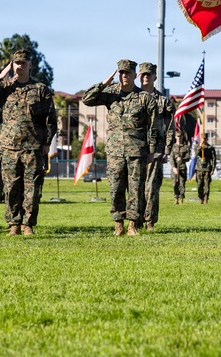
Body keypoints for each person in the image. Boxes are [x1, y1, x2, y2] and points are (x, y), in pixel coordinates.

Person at [0, 49, 57, 236]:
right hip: (9, 147)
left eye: (23, 62)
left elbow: (51, 120)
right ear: (12, 65)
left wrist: (46, 143)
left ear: (30, 65)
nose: (20, 65)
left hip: (33, 147)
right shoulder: (4, 89)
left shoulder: (40, 89)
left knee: (32, 189)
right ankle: (14, 223)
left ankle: (28, 224)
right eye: (16, 62)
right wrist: (0, 76)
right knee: (11, 187)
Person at [81, 59, 159, 236]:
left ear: (134, 75)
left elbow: (153, 127)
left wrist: (152, 152)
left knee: (135, 189)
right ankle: (118, 224)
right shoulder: (111, 93)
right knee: (115, 188)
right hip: (115, 151)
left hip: (137, 151)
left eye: (128, 73)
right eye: (121, 73)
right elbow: (87, 100)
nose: (124, 76)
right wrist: (103, 84)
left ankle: (132, 224)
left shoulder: (144, 98)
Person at [137, 62, 175, 231]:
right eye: (143, 74)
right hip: (135, 147)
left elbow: (170, 127)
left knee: (151, 186)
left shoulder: (163, 101)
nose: (145, 77)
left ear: (154, 77)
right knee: (134, 186)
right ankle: (134, 219)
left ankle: (149, 220)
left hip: (156, 149)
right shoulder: (132, 98)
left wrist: (167, 149)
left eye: (148, 75)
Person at [170, 126, 190, 204]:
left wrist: (182, 159)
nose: (179, 138)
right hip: (175, 169)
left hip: (182, 168)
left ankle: (181, 198)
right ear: (175, 137)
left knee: (182, 184)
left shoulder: (185, 147)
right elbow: (171, 158)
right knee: (175, 183)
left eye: (180, 136)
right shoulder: (173, 147)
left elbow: (188, 157)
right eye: (177, 136)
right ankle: (176, 198)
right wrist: (173, 167)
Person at [196, 133, 215, 204]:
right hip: (199, 168)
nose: (204, 140)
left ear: (207, 139)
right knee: (199, 184)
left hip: (207, 168)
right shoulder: (197, 146)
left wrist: (213, 169)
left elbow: (213, 159)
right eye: (203, 138)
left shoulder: (210, 148)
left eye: (205, 139)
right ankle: (200, 198)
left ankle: (206, 198)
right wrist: (200, 146)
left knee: (206, 184)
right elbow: (197, 153)